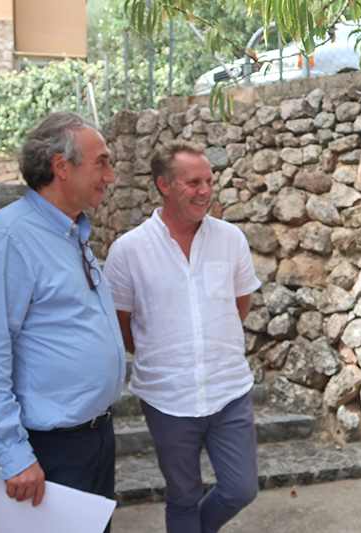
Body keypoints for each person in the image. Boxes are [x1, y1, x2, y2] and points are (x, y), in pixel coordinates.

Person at [0, 111, 127, 529]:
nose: (111, 176)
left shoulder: (73, 233)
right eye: (101, 162)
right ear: (61, 166)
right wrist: (11, 455)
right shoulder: (7, 237)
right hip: (48, 451)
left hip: (94, 439)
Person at [103, 140, 261, 533]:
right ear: (164, 185)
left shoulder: (231, 239)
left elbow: (240, 304)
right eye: (193, 182)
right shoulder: (128, 250)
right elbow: (121, 321)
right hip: (167, 397)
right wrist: (160, 351)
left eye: (209, 181)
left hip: (228, 390)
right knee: (182, 497)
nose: (205, 191)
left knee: (241, 489)